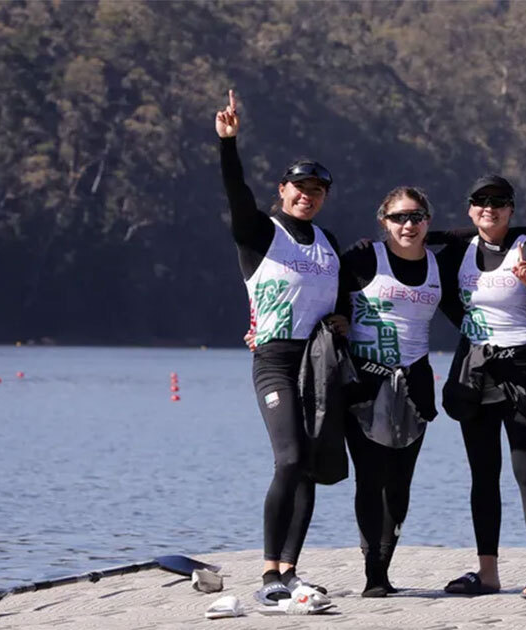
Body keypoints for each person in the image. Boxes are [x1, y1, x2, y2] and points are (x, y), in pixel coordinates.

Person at [215, 90, 345, 606]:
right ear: (283, 190)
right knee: (288, 457)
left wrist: (342, 318)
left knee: (309, 462)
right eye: (299, 187)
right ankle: (268, 571)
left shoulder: (329, 241)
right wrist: (229, 143)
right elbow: (235, 193)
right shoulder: (259, 233)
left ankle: (291, 571)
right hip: (273, 359)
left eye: (316, 189)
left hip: (318, 363)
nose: (307, 195)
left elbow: (347, 297)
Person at [434, 176, 526, 599]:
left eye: (499, 202)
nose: (489, 208)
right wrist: (472, 330)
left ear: (511, 209)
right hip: (477, 370)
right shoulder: (458, 252)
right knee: (482, 474)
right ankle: (487, 573)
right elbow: (444, 298)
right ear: (470, 209)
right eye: (480, 202)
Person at [336, 187, 441, 597]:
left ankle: (386, 563)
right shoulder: (363, 259)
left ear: (428, 221)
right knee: (370, 478)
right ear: (383, 220)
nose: (408, 225)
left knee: (400, 483)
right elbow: (319, 286)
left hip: (414, 383)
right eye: (398, 217)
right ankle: (372, 575)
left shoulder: (439, 263)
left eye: (416, 216)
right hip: (364, 383)